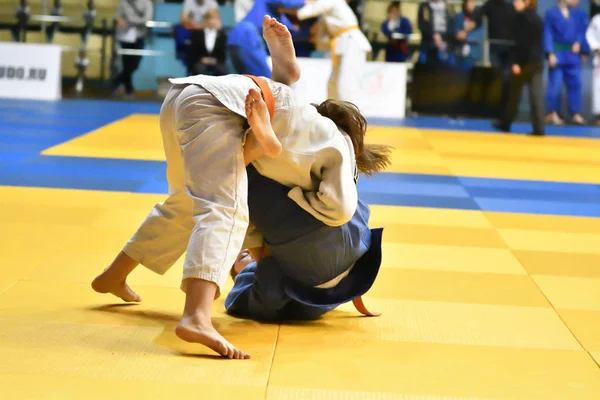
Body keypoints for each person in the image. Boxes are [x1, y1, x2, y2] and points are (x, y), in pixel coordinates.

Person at [91, 15, 390, 360]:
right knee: (224, 209)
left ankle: (114, 275)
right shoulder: (341, 151)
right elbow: (340, 211)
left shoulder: (310, 134)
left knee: (185, 205)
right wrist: (298, 195)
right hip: (227, 108)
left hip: (188, 96)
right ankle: (196, 316)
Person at [284, 0, 372, 103]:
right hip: (342, 45)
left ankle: (350, 116)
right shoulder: (326, 10)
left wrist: (284, 8)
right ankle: (333, 113)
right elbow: (320, 34)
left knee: (346, 83)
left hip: (352, 43)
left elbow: (306, 12)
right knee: (332, 83)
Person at [493, 0, 544, 136]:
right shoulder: (538, 18)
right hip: (537, 61)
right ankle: (539, 129)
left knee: (513, 95)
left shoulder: (521, 18)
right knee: (536, 97)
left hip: (524, 62)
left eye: (517, 0)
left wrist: (517, 63)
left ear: (526, 2)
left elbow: (522, 43)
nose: (514, 3)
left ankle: (506, 123)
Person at [228, 0, 304, 78]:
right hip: (246, 35)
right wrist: (307, 2)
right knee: (265, 81)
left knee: (245, 82)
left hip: (235, 40)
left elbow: (291, 31)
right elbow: (286, 2)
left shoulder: (278, 15)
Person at [544, 0, 589, 125]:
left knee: (575, 84)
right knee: (555, 85)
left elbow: (583, 31)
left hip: (573, 55)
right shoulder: (552, 13)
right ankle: (551, 112)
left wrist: (581, 46)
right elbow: (547, 33)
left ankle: (575, 113)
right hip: (558, 53)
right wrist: (550, 53)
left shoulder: (579, 13)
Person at [111, 0, 154, 98]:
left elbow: (147, 19)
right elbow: (117, 16)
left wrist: (130, 21)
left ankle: (116, 81)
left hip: (140, 36)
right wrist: (121, 21)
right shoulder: (124, 2)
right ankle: (129, 90)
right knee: (126, 63)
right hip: (126, 36)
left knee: (135, 64)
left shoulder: (147, 2)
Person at [188, 8, 228, 76]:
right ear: (206, 20)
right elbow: (193, 51)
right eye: (211, 18)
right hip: (200, 61)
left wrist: (215, 60)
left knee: (222, 71)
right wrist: (202, 59)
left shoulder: (222, 35)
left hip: (216, 61)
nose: (214, 21)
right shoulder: (197, 34)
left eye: (216, 18)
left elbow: (223, 53)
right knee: (199, 70)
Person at [417, 0, 455, 65]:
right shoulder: (424, 6)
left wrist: (442, 39)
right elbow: (422, 24)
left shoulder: (449, 6)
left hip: (446, 46)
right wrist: (434, 36)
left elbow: (452, 25)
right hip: (428, 44)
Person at [454, 0, 481, 69]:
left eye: (472, 2)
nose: (470, 5)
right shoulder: (459, 16)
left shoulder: (479, 18)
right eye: (468, 3)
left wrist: (467, 36)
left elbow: (480, 33)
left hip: (474, 51)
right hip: (461, 50)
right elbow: (457, 33)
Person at [586, 10, 600, 125]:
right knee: (598, 87)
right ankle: (598, 115)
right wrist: (597, 48)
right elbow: (590, 35)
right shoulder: (597, 19)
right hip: (599, 58)